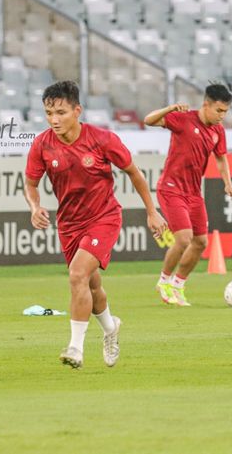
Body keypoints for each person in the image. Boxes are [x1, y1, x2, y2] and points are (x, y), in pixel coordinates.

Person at [24, 81, 167, 369]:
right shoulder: (42, 144)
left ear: (78, 111)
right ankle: (110, 328)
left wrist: (152, 211)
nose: (54, 119)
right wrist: (35, 206)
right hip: (69, 224)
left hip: (104, 217)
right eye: (49, 112)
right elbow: (30, 182)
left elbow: (134, 173)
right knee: (91, 285)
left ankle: (75, 348)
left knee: (77, 275)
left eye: (61, 112)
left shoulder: (102, 139)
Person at [144, 82, 232, 307]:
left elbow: (221, 158)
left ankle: (178, 285)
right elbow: (148, 120)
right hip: (171, 188)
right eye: (219, 110)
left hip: (194, 193)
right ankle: (164, 281)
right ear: (206, 105)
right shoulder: (183, 119)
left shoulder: (217, 131)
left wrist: (228, 182)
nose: (222, 116)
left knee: (200, 242)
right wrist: (170, 108)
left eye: (226, 111)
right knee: (184, 238)